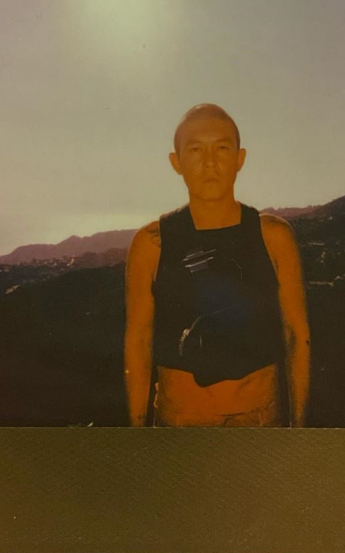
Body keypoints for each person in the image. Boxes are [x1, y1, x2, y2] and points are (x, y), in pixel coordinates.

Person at [124, 104, 310, 427]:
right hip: (179, 423)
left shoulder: (274, 237)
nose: (210, 162)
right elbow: (138, 343)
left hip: (260, 420)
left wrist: (300, 429)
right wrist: (136, 432)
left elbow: (296, 336)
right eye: (195, 150)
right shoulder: (150, 245)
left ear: (240, 158)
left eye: (222, 148)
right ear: (176, 162)